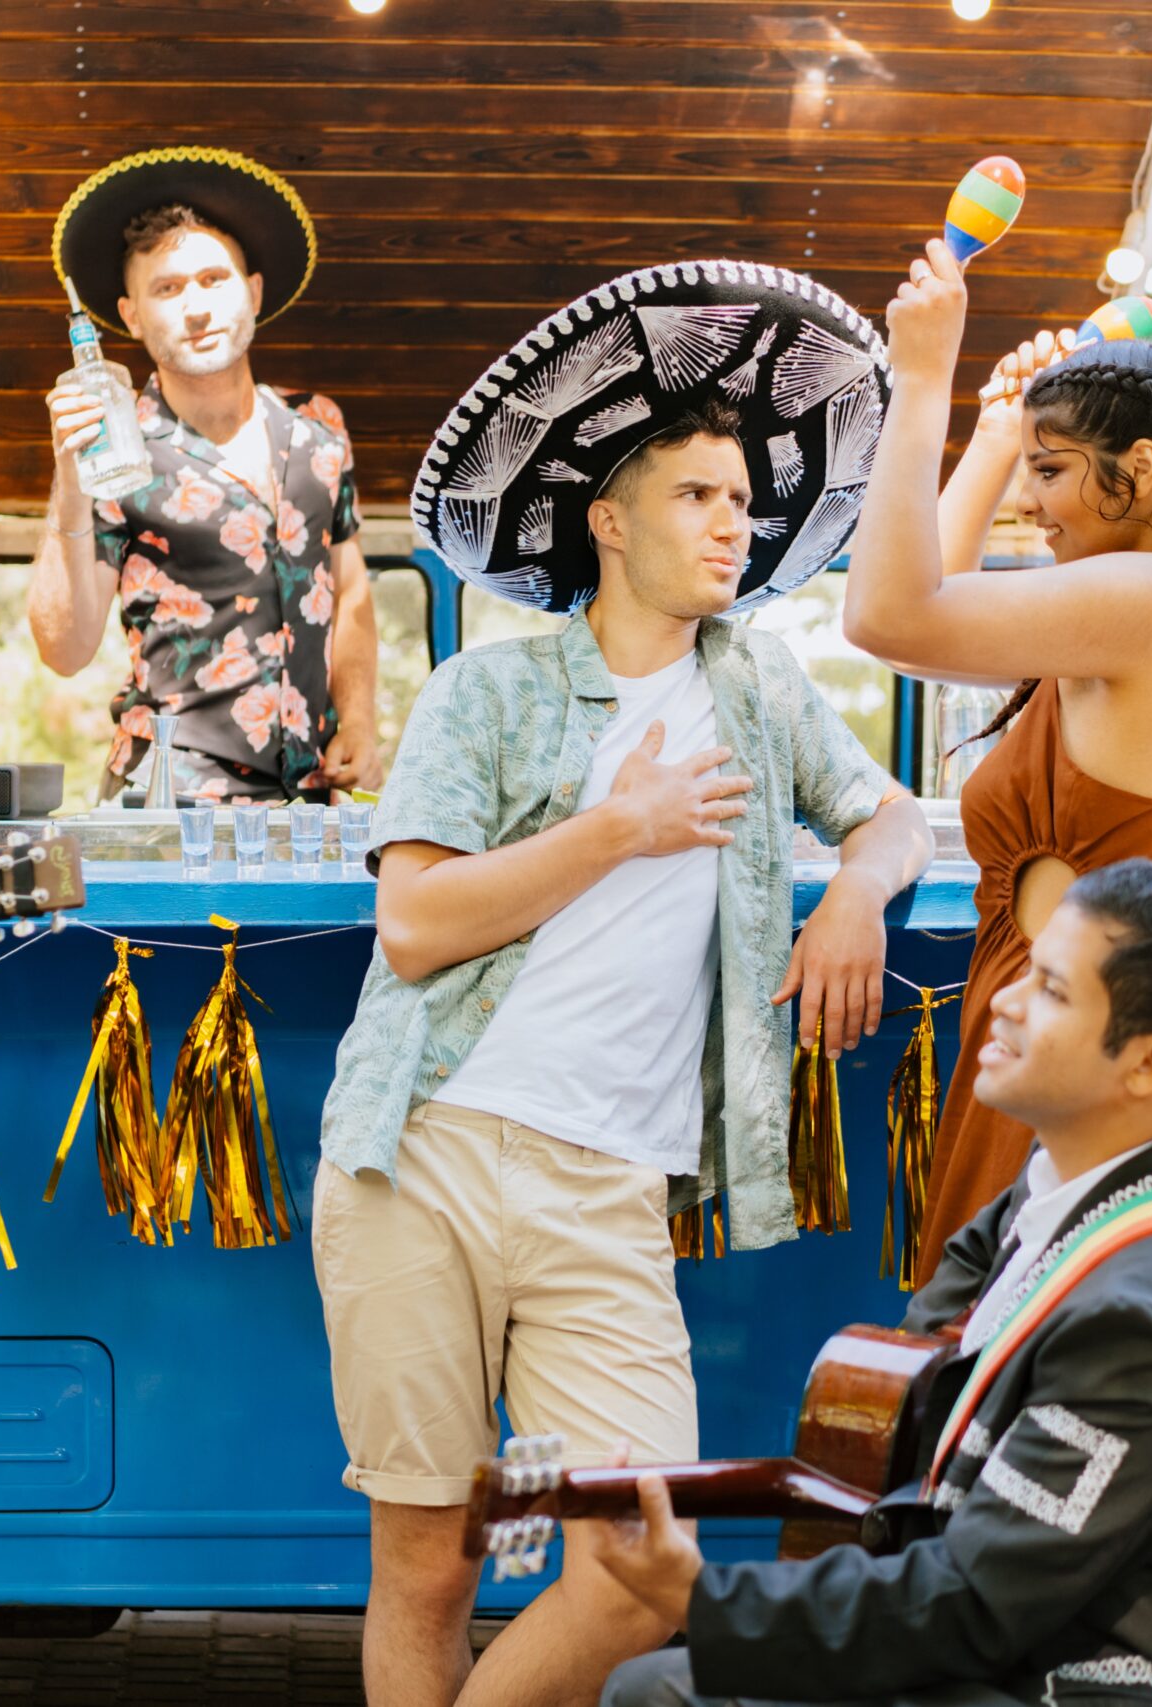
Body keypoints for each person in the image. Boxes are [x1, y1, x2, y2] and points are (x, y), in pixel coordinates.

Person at [318, 261, 937, 1707]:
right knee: (430, 1562)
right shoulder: (487, 691)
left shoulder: (762, 690)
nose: (734, 524)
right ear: (607, 518)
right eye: (697, 495)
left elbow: (893, 813)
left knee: (640, 1568)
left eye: (745, 502)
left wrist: (857, 890)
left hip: (609, 1187)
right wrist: (619, 827)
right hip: (425, 1150)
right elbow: (412, 926)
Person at [589, 859, 1152, 1707]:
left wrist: (703, 1600)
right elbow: (933, 1362)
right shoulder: (1073, 1184)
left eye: (1051, 990)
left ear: (1151, 1060)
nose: (1003, 999)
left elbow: (976, 1600)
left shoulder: (1144, 1321)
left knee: (664, 1694)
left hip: (1111, 1683)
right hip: (1020, 1634)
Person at [840, 240, 1152, 1285]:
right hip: (1073, 1046)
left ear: (1143, 470)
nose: (1031, 503)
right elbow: (923, 615)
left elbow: (886, 613)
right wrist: (996, 436)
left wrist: (922, 374)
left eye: (1053, 471)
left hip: (1087, 1068)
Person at [31, 147, 376, 803]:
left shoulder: (320, 427)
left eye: (214, 279)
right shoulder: (116, 446)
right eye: (167, 288)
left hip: (310, 798)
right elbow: (64, 650)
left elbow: (350, 590)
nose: (196, 307)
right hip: (170, 798)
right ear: (131, 315)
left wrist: (359, 719)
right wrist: (68, 482)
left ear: (253, 292)